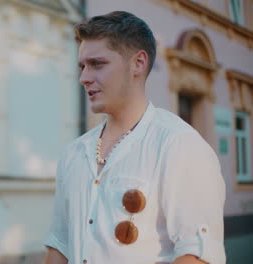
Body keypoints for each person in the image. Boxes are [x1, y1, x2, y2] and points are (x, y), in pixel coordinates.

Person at [44, 11, 226, 264]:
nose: (84, 78)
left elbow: (198, 255)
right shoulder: (74, 153)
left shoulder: (179, 145)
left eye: (97, 64)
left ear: (138, 63)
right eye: (82, 66)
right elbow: (60, 247)